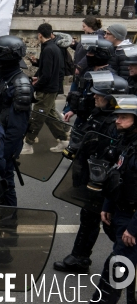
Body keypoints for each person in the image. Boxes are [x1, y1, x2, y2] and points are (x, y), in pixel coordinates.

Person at [53, 75, 126, 274]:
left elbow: (115, 155)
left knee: (113, 225)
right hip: (93, 178)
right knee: (90, 217)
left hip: (106, 183)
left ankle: (126, 260)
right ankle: (79, 258)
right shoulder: (100, 114)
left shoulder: (117, 123)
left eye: (100, 95)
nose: (95, 97)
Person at [89, 95, 137, 303]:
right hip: (120, 211)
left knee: (117, 267)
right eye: (117, 117)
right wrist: (108, 204)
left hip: (132, 218)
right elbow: (116, 174)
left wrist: (134, 228)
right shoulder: (126, 143)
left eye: (124, 117)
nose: (117, 121)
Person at [0, 35, 33, 207]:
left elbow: (17, 128)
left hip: (5, 145)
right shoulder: (4, 77)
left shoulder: (20, 85)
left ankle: (9, 224)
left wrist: (2, 155)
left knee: (5, 184)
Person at [22, 23, 68, 154]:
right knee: (50, 115)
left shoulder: (48, 49)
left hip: (46, 89)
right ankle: (63, 140)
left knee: (37, 116)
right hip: (51, 87)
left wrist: (36, 84)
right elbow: (52, 69)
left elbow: (47, 74)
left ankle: (28, 144)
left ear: (40, 35)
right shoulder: (54, 47)